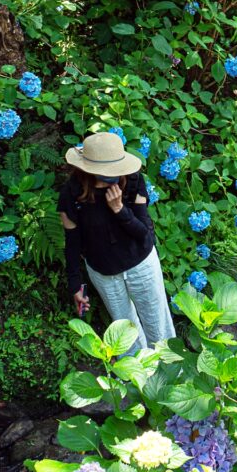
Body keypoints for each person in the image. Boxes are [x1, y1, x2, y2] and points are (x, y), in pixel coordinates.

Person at [58, 132, 175, 352]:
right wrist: (75, 284)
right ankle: (135, 381)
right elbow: (72, 242)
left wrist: (120, 210)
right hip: (104, 273)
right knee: (125, 334)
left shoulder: (132, 180)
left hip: (141, 265)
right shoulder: (72, 195)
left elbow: (145, 235)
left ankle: (171, 378)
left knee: (158, 328)